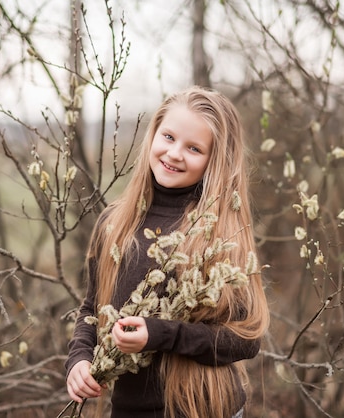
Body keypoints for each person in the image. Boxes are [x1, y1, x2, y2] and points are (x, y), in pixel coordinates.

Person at [65, 86, 270, 418]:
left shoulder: (219, 233)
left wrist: (161, 335)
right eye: (169, 137)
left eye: (193, 148)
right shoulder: (115, 222)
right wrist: (79, 359)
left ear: (213, 161)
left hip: (200, 409)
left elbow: (245, 340)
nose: (175, 153)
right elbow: (91, 307)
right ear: (153, 136)